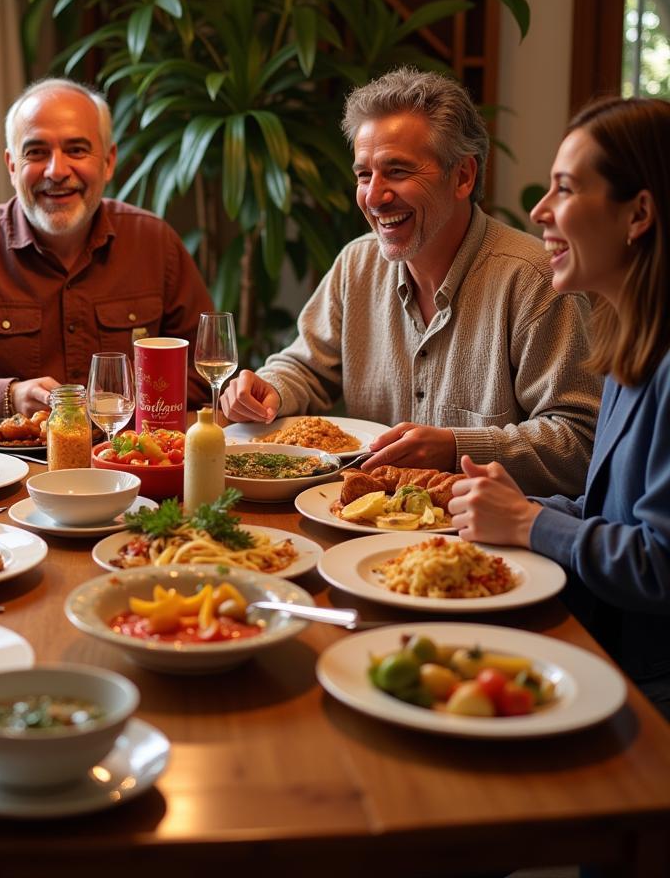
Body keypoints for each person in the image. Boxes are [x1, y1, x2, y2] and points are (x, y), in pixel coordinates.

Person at [221, 67, 601, 496]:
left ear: (462, 177)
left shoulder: (534, 279)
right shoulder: (357, 264)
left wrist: (456, 447)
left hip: (485, 540)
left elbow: (580, 442)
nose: (375, 196)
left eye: (397, 171)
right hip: (360, 521)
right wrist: (267, 388)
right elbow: (305, 368)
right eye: (364, 175)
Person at [449, 96, 670, 718]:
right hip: (605, 652)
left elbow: (660, 563)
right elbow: (609, 514)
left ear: (639, 214)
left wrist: (526, 524)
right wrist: (491, 506)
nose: (540, 211)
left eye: (565, 189)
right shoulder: (633, 349)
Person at [0, 77, 214, 422]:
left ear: (108, 162)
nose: (57, 171)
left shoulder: (154, 243)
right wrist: (6, 397)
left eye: (76, 149)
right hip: (4, 471)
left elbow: (207, 368)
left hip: (130, 464)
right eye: (36, 152)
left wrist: (128, 404)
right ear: (12, 166)